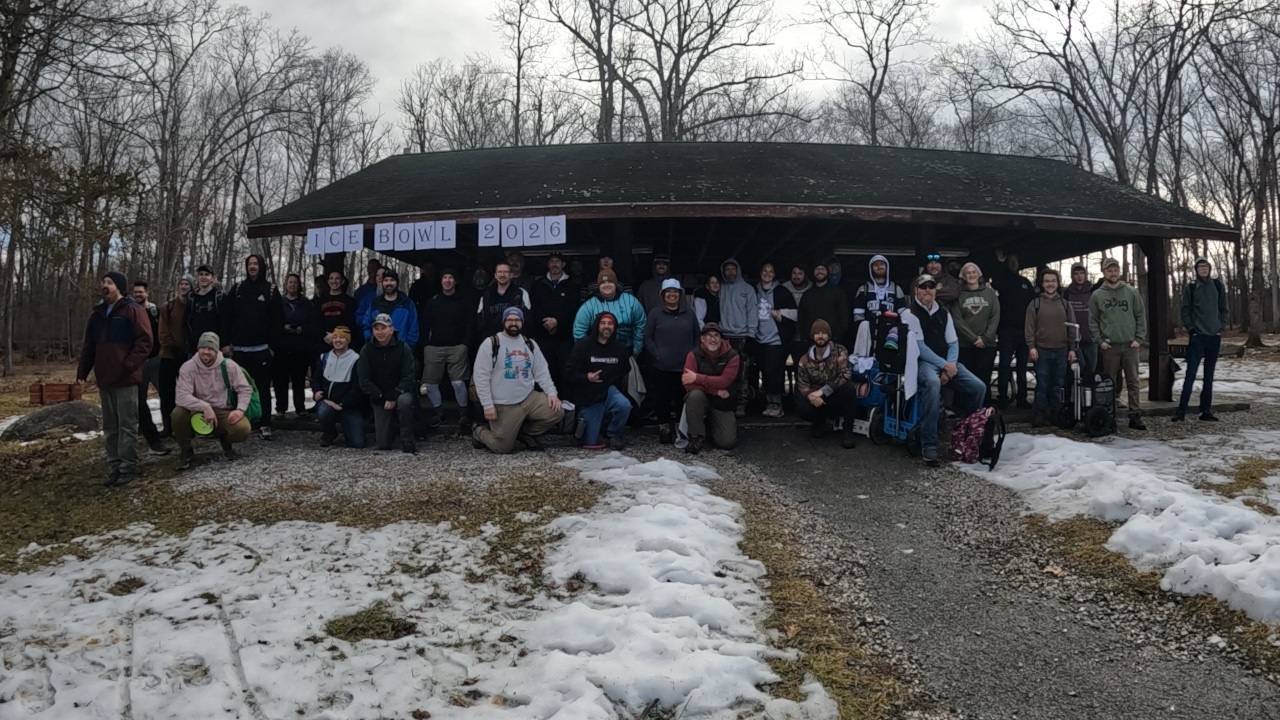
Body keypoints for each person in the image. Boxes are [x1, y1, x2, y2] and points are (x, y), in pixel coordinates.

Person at [77, 271, 154, 486]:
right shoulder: (97, 315)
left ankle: (128, 466)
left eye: (109, 282)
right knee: (110, 426)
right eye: (103, 282)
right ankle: (114, 466)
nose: (105, 285)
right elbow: (89, 347)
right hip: (105, 378)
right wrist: (82, 372)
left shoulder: (133, 310)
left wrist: (129, 364)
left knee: (127, 424)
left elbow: (145, 342)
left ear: (119, 287)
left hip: (126, 379)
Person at [901, 274, 987, 466]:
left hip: (948, 363)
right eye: (923, 287)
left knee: (979, 387)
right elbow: (920, 347)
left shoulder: (944, 312)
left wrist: (951, 366)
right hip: (922, 363)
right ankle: (929, 444)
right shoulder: (909, 314)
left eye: (931, 287)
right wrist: (944, 366)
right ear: (916, 290)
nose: (927, 291)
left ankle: (967, 431)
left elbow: (953, 343)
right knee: (932, 384)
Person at [471, 307, 564, 454]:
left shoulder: (530, 344)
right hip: (503, 403)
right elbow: (481, 377)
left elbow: (542, 372)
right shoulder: (491, 343)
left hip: (528, 398)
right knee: (502, 447)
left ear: (522, 322)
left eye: (517, 320)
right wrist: (487, 405)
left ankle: (525, 433)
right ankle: (478, 431)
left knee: (557, 411)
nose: (513, 323)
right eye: (509, 320)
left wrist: (552, 393)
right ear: (504, 322)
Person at [172, 331, 252, 469]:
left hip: (222, 409)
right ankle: (186, 449)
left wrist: (240, 410)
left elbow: (245, 388)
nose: (206, 352)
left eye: (210, 348)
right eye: (202, 348)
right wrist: (204, 406)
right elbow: (181, 396)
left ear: (217, 350)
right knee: (177, 413)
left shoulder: (229, 365)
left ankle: (225, 438)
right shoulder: (188, 367)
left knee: (243, 429)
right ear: (198, 349)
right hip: (197, 411)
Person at [223, 254, 281, 440]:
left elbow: (278, 321)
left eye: (256, 264)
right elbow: (226, 317)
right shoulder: (238, 288)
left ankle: (265, 424)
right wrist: (225, 343)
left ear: (262, 266)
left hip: (262, 350)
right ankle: (241, 422)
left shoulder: (271, 290)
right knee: (237, 389)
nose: (253, 267)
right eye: (250, 264)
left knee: (263, 388)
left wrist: (272, 347)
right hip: (239, 350)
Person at [1088, 257, 1148, 430]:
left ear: (1119, 272)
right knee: (1109, 383)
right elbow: (1093, 320)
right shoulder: (1097, 295)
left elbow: (1140, 315)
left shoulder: (1131, 292)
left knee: (1133, 381)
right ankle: (1109, 416)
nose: (1112, 273)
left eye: (1115, 270)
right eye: (1109, 270)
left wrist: (1139, 338)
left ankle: (1135, 415)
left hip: (1130, 345)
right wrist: (1099, 341)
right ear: (1104, 272)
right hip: (1110, 346)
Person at [643, 278, 700, 444]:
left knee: (682, 398)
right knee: (662, 398)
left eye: (675, 291)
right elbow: (648, 337)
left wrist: (693, 356)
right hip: (662, 366)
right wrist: (656, 353)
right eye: (668, 292)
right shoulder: (655, 313)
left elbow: (697, 337)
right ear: (663, 295)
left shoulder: (689, 313)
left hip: (685, 367)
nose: (672, 295)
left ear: (680, 294)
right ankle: (664, 427)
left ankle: (681, 428)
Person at [1175, 257, 1229, 422]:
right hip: (1198, 337)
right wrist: (1192, 329)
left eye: (1206, 266)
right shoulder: (1191, 287)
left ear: (1210, 269)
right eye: (1201, 267)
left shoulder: (1218, 286)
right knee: (1191, 373)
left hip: (1214, 337)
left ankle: (1205, 410)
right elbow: (1185, 310)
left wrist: (1220, 327)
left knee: (1209, 376)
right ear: (1196, 270)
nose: (1204, 269)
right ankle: (1181, 411)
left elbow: (1224, 309)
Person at [569, 312, 632, 450]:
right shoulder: (583, 346)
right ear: (597, 325)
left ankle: (613, 435)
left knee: (624, 405)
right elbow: (570, 372)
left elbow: (625, 371)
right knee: (590, 442)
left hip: (609, 391)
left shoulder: (620, 348)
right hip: (588, 395)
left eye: (610, 324)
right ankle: (595, 426)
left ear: (614, 327)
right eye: (603, 323)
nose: (606, 327)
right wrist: (586, 377)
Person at [356, 313, 418, 453]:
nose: (380, 332)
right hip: (379, 397)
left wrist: (394, 394)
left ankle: (407, 439)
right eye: (376, 328)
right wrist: (380, 396)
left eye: (383, 328)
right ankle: (389, 434)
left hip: (400, 392)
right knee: (383, 444)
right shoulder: (366, 350)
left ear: (391, 329)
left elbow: (409, 376)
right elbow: (364, 379)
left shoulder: (403, 348)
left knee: (405, 402)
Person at [421, 268, 474, 430]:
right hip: (434, 347)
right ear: (441, 281)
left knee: (458, 383)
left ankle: (463, 414)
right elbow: (424, 325)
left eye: (451, 277)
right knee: (430, 384)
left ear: (455, 281)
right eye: (445, 277)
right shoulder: (433, 301)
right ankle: (439, 414)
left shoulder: (463, 301)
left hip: (457, 347)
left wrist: (465, 344)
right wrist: (425, 345)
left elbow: (470, 324)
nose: (448, 281)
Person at [794, 319, 858, 449]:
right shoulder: (804, 360)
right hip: (817, 400)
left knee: (849, 390)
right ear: (812, 336)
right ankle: (819, 423)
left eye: (824, 333)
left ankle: (847, 431)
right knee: (799, 402)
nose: (821, 336)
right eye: (817, 333)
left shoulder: (840, 351)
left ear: (829, 335)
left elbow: (845, 375)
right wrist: (811, 396)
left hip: (834, 395)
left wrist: (824, 391)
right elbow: (802, 384)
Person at [1025, 269, 1077, 427]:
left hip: (1061, 350)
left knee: (1058, 384)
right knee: (1042, 384)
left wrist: (1072, 348)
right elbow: (1029, 327)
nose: (1050, 284)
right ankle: (1040, 414)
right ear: (1042, 283)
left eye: (1053, 281)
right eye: (1047, 281)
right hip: (1042, 350)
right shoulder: (1035, 304)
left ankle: (1056, 413)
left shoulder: (1065, 304)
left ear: (1058, 282)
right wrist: (1031, 347)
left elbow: (1072, 328)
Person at [681, 322, 741, 454]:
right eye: (708, 336)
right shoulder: (693, 355)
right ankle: (695, 437)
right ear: (702, 339)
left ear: (721, 339)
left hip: (722, 403)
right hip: (705, 398)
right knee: (694, 395)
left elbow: (724, 382)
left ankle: (710, 428)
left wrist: (697, 378)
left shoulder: (733, 356)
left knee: (727, 442)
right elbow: (687, 383)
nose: (713, 339)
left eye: (716, 336)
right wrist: (715, 390)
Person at [530, 252, 582, 396]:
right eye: (552, 261)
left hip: (564, 338)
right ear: (548, 264)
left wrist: (558, 322)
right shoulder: (538, 285)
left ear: (563, 265)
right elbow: (533, 308)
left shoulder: (572, 285)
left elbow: (574, 310)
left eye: (558, 261)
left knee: (565, 373)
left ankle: (567, 407)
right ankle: (545, 407)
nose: (554, 264)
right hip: (543, 338)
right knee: (544, 371)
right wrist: (546, 323)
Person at [991, 252, 1037, 409]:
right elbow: (995, 283)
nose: (1013, 263)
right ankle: (1002, 397)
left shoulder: (1025, 282)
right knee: (1004, 365)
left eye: (1015, 261)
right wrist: (999, 263)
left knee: (1022, 367)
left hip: (1024, 331)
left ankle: (1022, 398)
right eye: (1011, 261)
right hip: (1007, 331)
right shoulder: (1002, 280)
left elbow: (1034, 303)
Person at [951, 262, 1000, 404]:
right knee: (965, 380)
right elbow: (957, 320)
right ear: (963, 276)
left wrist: (985, 338)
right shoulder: (958, 295)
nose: (971, 275)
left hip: (987, 345)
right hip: (965, 345)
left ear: (979, 275)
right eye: (968, 273)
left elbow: (995, 316)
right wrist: (973, 338)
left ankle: (983, 411)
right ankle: (964, 412)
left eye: (974, 272)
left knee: (983, 378)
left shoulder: (990, 294)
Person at [273, 273, 319, 417]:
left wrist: (301, 329)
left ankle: (300, 408)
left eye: (295, 283)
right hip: (282, 347)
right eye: (290, 282)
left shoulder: (307, 304)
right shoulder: (278, 303)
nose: (292, 285)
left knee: (299, 379)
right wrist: (283, 328)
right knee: (281, 380)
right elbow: (272, 324)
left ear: (299, 285)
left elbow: (313, 325)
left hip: (301, 347)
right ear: (286, 284)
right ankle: (281, 408)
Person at [131, 280, 168, 456]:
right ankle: (144, 428)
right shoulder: (130, 312)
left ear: (148, 293)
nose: (138, 295)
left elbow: (163, 331)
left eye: (140, 292)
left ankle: (169, 428)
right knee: (140, 398)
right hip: (138, 363)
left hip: (156, 359)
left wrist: (163, 351)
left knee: (166, 395)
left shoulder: (155, 311)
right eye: (135, 292)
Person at [716, 258, 757, 417]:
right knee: (724, 372)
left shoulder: (748, 289)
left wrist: (751, 335)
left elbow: (752, 312)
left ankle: (741, 404)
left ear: (738, 270)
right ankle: (727, 402)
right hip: (724, 336)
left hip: (743, 337)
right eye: (727, 269)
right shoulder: (720, 289)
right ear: (723, 272)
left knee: (742, 373)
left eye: (733, 269)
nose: (730, 272)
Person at [754, 262, 795, 418]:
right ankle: (769, 403)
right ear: (760, 272)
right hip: (758, 339)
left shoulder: (782, 291)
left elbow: (795, 313)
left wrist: (781, 315)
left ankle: (777, 405)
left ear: (774, 275)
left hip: (776, 340)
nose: (767, 274)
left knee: (774, 373)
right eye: (765, 270)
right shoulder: (754, 291)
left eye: (771, 271)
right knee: (764, 373)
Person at [573, 269, 646, 357]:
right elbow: (579, 331)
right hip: (598, 353)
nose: (607, 285)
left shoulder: (631, 301)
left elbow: (641, 324)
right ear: (598, 286)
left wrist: (636, 350)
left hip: (627, 351)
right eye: (603, 283)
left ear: (616, 284)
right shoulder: (589, 305)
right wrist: (589, 352)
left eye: (610, 282)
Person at [313, 326, 365, 448]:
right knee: (323, 411)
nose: (337, 340)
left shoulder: (356, 359)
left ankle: (349, 429)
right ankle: (329, 432)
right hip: (327, 403)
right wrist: (316, 391)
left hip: (348, 406)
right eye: (335, 337)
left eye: (342, 337)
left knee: (358, 443)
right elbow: (315, 379)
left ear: (348, 340)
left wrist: (341, 404)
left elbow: (357, 388)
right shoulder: (324, 357)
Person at [158, 273, 193, 438]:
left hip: (188, 357)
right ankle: (168, 426)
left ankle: (187, 426)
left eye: (187, 284)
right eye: (182, 284)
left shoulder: (194, 306)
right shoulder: (168, 306)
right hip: (169, 356)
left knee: (188, 393)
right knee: (167, 393)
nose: (184, 286)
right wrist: (173, 348)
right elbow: (162, 331)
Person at [359, 267, 419, 347]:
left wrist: (405, 347)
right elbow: (367, 325)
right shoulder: (375, 303)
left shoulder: (407, 303)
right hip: (378, 350)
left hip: (401, 352)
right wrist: (371, 342)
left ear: (397, 282)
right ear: (382, 283)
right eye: (386, 280)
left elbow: (413, 329)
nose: (388, 283)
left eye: (392, 280)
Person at [797, 261, 849, 352]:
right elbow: (801, 319)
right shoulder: (807, 295)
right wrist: (805, 339)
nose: (820, 271)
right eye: (817, 269)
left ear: (827, 272)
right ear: (813, 272)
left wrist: (835, 340)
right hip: (810, 345)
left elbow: (844, 318)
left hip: (833, 344)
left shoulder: (838, 293)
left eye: (822, 269)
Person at [851, 254, 906, 335]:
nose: (879, 267)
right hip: (869, 333)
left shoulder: (896, 289)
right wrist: (863, 331)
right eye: (876, 265)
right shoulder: (863, 289)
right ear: (871, 268)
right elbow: (858, 315)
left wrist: (899, 330)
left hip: (891, 333)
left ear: (887, 267)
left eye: (882, 264)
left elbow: (903, 314)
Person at [1063, 262, 1100, 384]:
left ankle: (1089, 401)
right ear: (1072, 276)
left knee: (1091, 372)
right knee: (1075, 373)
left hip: (1091, 340)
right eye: (1076, 273)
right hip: (1074, 342)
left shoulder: (1094, 291)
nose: (1079, 276)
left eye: (1082, 273)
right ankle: (1074, 400)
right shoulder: (1067, 294)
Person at [477, 261, 532, 338]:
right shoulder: (486, 296)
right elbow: (481, 322)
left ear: (511, 275)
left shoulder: (521, 293)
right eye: (499, 272)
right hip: (493, 341)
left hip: (515, 339)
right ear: (495, 275)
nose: (502, 275)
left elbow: (528, 320)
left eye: (505, 272)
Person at [184, 264, 224, 358]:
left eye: (207, 274)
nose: (203, 277)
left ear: (213, 278)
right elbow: (186, 322)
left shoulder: (219, 297)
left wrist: (224, 344)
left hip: (215, 348)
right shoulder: (191, 297)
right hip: (195, 349)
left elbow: (225, 323)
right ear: (197, 277)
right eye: (201, 274)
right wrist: (189, 340)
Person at [316, 270, 360, 351]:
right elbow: (315, 322)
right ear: (328, 281)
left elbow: (351, 322)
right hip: (324, 342)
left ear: (342, 281)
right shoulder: (319, 302)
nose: (334, 281)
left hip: (343, 342)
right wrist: (324, 335)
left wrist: (336, 335)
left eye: (337, 278)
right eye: (331, 278)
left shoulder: (349, 301)